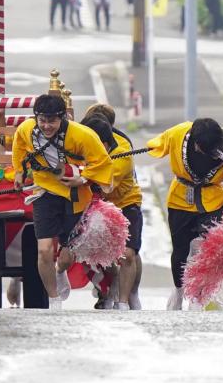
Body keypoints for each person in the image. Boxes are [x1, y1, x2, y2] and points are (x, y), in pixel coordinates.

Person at [10, 93, 111, 310]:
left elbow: (102, 162)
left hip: (75, 195)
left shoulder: (83, 135)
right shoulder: (26, 129)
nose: (46, 126)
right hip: (44, 191)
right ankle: (53, 300)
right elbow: (18, 147)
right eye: (42, 120)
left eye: (52, 121)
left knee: (67, 255)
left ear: (63, 117)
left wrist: (82, 177)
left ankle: (60, 270)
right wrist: (19, 172)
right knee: (44, 250)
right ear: (36, 117)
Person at [147, 115, 223, 303]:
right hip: (180, 198)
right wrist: (153, 147)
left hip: (213, 199)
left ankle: (200, 295)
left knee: (211, 246)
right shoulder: (178, 133)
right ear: (196, 144)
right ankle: (179, 291)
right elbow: (157, 143)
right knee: (180, 250)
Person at [80, 103, 142, 310]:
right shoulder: (79, 140)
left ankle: (127, 297)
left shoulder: (122, 149)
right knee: (92, 251)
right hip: (93, 204)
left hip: (124, 203)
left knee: (129, 254)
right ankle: (105, 289)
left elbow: (103, 184)